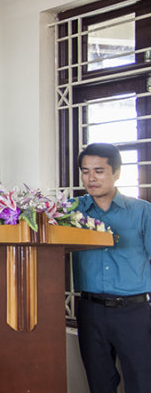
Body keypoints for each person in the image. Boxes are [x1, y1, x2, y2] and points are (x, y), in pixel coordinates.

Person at [72, 142, 151, 393]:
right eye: (85, 171)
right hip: (90, 311)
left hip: (135, 312)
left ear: (116, 173)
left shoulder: (142, 212)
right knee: (99, 384)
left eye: (99, 170)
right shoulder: (72, 213)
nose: (91, 178)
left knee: (142, 382)